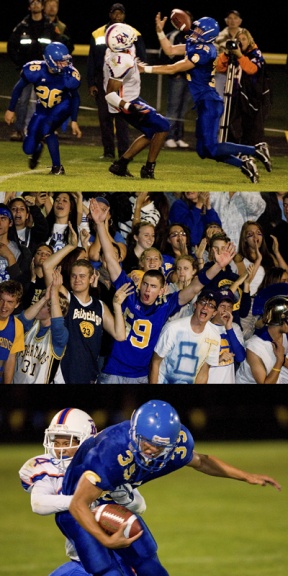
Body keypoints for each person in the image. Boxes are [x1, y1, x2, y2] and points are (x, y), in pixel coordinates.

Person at [55, 399, 281, 576]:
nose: (150, 451)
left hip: (112, 496)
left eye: (159, 447)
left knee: (146, 555)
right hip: (77, 502)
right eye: (146, 443)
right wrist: (105, 540)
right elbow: (78, 504)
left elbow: (201, 461)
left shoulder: (177, 446)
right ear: (134, 435)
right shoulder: (112, 452)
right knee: (105, 568)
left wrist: (246, 476)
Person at [89, 197, 236, 383]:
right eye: (145, 284)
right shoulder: (128, 293)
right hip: (114, 371)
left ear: (162, 290)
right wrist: (101, 225)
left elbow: (195, 286)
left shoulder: (165, 305)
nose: (146, 290)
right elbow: (110, 259)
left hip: (142, 375)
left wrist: (217, 266)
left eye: (152, 286)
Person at [138, 14, 272, 184]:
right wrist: (159, 32)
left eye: (199, 29)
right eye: (196, 28)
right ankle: (244, 165)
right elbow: (170, 50)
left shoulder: (206, 51)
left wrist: (146, 69)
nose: (195, 31)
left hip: (210, 102)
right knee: (203, 150)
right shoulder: (195, 44)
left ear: (208, 33)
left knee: (211, 147)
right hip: (204, 103)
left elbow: (174, 68)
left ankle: (255, 150)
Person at [19, 407, 145, 576]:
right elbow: (38, 504)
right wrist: (80, 502)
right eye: (56, 442)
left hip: (119, 556)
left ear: (86, 441)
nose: (60, 449)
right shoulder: (49, 470)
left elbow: (140, 505)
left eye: (69, 442)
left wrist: (124, 496)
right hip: (82, 560)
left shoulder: (102, 464)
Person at [42, 229, 134, 384]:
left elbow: (120, 335)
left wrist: (117, 306)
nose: (77, 279)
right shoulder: (66, 297)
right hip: (62, 373)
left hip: (89, 372)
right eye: (74, 276)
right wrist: (71, 246)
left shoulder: (100, 306)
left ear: (92, 278)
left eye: (82, 276)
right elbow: (47, 267)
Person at [4, 42, 82, 175]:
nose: (65, 65)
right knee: (28, 148)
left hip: (62, 107)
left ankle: (57, 167)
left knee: (47, 130)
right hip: (42, 109)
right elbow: (18, 88)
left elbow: (75, 97)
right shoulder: (35, 70)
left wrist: (73, 119)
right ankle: (38, 148)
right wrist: (11, 109)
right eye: (60, 62)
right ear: (49, 61)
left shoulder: (69, 75)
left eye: (65, 61)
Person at [104, 23, 170, 179]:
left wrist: (140, 67)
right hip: (126, 102)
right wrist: (128, 106)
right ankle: (148, 168)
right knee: (163, 126)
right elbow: (110, 94)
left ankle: (121, 164)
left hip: (130, 98)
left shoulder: (118, 52)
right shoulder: (121, 60)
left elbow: (130, 65)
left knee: (151, 132)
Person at [87, 3, 147, 161]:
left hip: (124, 79)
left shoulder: (134, 33)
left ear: (124, 15)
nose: (117, 16)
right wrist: (91, 82)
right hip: (103, 78)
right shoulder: (98, 33)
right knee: (105, 116)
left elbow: (142, 57)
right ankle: (108, 151)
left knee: (122, 117)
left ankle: (124, 151)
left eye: (120, 13)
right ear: (110, 14)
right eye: (115, 13)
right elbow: (92, 60)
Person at [6, 0, 60, 142]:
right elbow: (11, 46)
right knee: (23, 101)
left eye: (38, 2)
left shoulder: (50, 27)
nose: (35, 5)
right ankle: (19, 131)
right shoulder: (22, 26)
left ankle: (40, 131)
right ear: (29, 6)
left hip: (45, 72)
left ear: (42, 6)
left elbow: (58, 46)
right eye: (32, 2)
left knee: (43, 101)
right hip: (28, 71)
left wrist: (53, 67)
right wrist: (20, 65)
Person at [150, 289, 221, 383]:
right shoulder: (173, 328)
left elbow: (204, 372)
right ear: (195, 305)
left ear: (214, 313)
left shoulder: (215, 337)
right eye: (202, 302)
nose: (205, 307)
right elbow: (155, 363)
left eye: (211, 306)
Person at [216, 28, 271, 145]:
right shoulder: (234, 53)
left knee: (253, 127)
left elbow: (252, 69)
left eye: (244, 39)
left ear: (249, 40)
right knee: (234, 124)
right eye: (238, 39)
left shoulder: (255, 53)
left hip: (255, 97)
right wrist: (226, 54)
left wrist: (240, 56)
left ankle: (255, 151)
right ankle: (234, 151)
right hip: (238, 95)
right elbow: (219, 68)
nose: (241, 42)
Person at [13, 268, 69, 384]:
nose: (37, 306)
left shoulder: (60, 335)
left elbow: (57, 324)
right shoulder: (31, 326)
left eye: (43, 306)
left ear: (51, 310)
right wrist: (44, 299)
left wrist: (54, 293)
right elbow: (20, 321)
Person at [158, 11, 193, 149]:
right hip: (178, 77)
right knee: (173, 107)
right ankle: (169, 136)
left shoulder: (193, 38)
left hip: (191, 78)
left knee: (183, 109)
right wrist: (174, 73)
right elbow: (165, 53)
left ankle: (179, 137)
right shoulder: (173, 36)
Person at [236, 295, 288, 383]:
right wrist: (279, 361)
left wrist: (282, 360)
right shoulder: (254, 347)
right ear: (279, 320)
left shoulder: (283, 336)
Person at [208, 287, 246, 383]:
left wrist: (229, 328)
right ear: (215, 309)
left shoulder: (234, 328)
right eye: (222, 306)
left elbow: (240, 357)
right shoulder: (205, 327)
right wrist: (218, 358)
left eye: (229, 307)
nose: (226, 310)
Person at [0, 203, 32, 295]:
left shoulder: (22, 252)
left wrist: (10, 257)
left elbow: (22, 286)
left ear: (10, 223)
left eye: (3, 218)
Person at [214, 9, 243, 99]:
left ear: (240, 21)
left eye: (235, 18)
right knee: (219, 99)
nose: (232, 21)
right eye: (230, 18)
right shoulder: (219, 36)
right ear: (226, 21)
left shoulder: (245, 36)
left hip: (240, 75)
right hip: (221, 73)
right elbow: (214, 55)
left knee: (237, 101)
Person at [0, 280, 25, 384]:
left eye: (10, 302)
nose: (4, 306)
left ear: (17, 304)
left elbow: (10, 360)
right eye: (1, 300)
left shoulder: (17, 325)